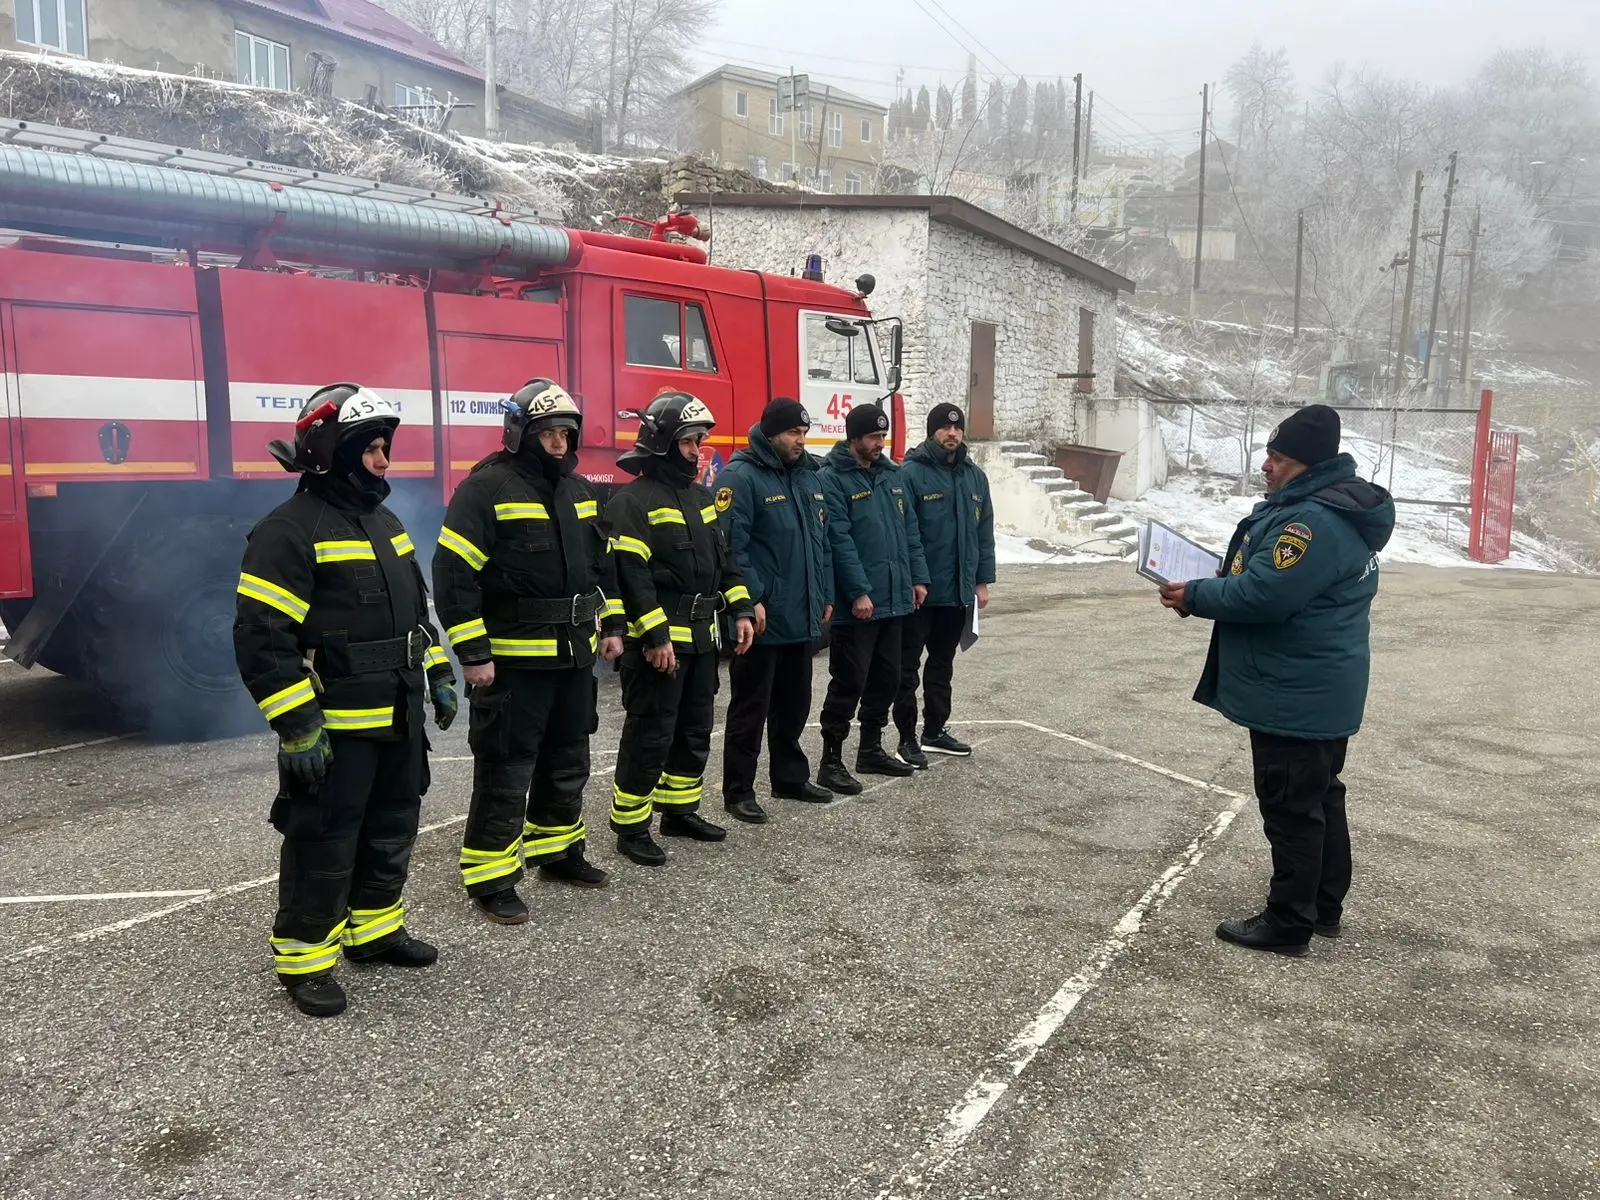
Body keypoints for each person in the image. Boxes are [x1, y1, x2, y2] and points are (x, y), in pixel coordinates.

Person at [234, 383, 458, 1018]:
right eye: (373, 450)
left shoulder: (384, 521)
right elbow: (262, 637)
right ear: (333, 450)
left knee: (392, 828)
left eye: (386, 448)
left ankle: (375, 932)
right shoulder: (286, 530)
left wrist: (437, 671)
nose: (385, 462)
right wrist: (297, 724)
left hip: (397, 715)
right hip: (335, 727)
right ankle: (305, 960)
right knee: (325, 839)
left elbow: (417, 614)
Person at [1160, 404, 1394, 957]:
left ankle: (1288, 922)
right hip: (1316, 687)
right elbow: (1266, 577)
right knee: (1319, 796)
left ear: (1307, 464)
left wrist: (1194, 595)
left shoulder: (1311, 522)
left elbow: (1267, 594)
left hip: (1296, 693)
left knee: (1290, 804)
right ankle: (1323, 907)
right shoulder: (1325, 509)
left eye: (1279, 457)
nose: (1266, 465)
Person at [433, 379, 626, 924]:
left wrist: (611, 624)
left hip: (574, 657)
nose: (559, 444)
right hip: (514, 662)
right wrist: (471, 652)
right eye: (548, 433)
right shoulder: (484, 490)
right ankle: (491, 878)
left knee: (569, 758)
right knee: (506, 768)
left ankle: (558, 852)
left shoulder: (581, 491)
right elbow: (453, 576)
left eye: (566, 433)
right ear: (520, 433)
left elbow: (601, 568)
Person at [606, 391, 756, 865]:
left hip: (702, 642)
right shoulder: (631, 501)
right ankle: (631, 828)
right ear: (664, 442)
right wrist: (654, 637)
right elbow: (631, 577)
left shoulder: (700, 496)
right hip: (662, 644)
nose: (698, 450)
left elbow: (723, 560)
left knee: (694, 731)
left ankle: (679, 811)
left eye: (700, 441)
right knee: (651, 735)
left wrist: (742, 609)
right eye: (690, 441)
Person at [716, 398, 835, 823]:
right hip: (763, 621)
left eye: (804, 433)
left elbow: (820, 544)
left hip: (801, 616)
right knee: (750, 708)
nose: (800, 441)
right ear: (770, 434)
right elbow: (731, 548)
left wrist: (824, 594)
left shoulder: (808, 477)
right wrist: (749, 600)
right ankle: (738, 790)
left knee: (794, 704)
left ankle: (789, 778)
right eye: (792, 433)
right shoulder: (740, 477)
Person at [817, 402, 930, 794]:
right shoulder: (831, 479)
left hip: (896, 601)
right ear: (853, 438)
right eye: (872, 437)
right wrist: (859, 592)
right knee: (849, 682)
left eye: (882, 437)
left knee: (887, 678)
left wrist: (918, 578)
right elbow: (839, 541)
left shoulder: (892, 477)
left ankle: (870, 749)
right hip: (859, 608)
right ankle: (830, 760)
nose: (879, 443)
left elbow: (909, 532)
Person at [894, 403, 996, 769]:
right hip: (921, 594)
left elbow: (984, 535)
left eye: (957, 428)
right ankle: (905, 737)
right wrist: (914, 580)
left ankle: (934, 730)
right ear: (932, 431)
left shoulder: (974, 477)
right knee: (907, 667)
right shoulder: (910, 474)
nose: (951, 434)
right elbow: (906, 536)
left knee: (942, 663)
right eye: (944, 428)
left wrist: (981, 582)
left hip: (957, 592)